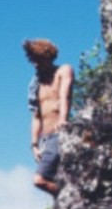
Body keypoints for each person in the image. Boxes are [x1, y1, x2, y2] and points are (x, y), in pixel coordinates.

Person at [24, 38, 74, 195]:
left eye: (38, 60)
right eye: (33, 61)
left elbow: (64, 96)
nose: (35, 65)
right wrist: (34, 145)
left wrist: (63, 119)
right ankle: (65, 201)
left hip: (58, 134)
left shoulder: (63, 71)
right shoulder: (35, 84)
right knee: (56, 178)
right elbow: (36, 116)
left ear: (48, 57)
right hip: (46, 140)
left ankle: (68, 197)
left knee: (39, 180)